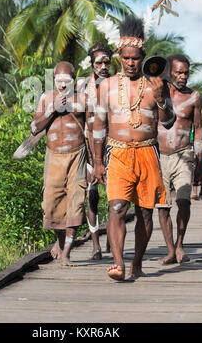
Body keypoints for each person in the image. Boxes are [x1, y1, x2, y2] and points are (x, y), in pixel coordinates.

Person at [91, 15, 175, 281]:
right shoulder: (106, 86)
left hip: (148, 152)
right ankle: (118, 263)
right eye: (125, 58)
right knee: (116, 207)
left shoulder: (156, 85)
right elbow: (97, 127)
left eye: (135, 58)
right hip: (117, 153)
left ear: (143, 56)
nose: (130, 63)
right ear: (119, 55)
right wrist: (97, 162)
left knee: (146, 214)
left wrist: (161, 98)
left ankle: (137, 262)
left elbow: (169, 122)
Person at [31, 61, 92, 266]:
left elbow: (92, 132)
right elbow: (34, 128)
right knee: (51, 204)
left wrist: (94, 163)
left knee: (76, 203)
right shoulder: (46, 97)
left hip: (78, 154)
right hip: (54, 156)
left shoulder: (83, 99)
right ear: (53, 80)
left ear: (73, 80)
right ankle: (59, 240)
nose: (62, 85)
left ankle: (66, 252)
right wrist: (51, 110)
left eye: (67, 81)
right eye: (59, 80)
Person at [157, 54, 202, 265]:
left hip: (183, 154)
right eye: (179, 72)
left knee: (184, 201)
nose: (183, 76)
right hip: (159, 156)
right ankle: (169, 250)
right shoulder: (158, 94)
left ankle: (180, 245)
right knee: (163, 206)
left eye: (186, 72)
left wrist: (199, 153)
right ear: (169, 72)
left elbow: (198, 128)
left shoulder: (194, 97)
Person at [77, 41, 113, 260]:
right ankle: (96, 245)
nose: (103, 66)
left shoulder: (117, 85)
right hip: (89, 147)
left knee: (114, 197)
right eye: (99, 62)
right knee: (91, 196)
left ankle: (112, 238)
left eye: (107, 62)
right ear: (91, 64)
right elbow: (77, 117)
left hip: (112, 146)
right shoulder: (82, 87)